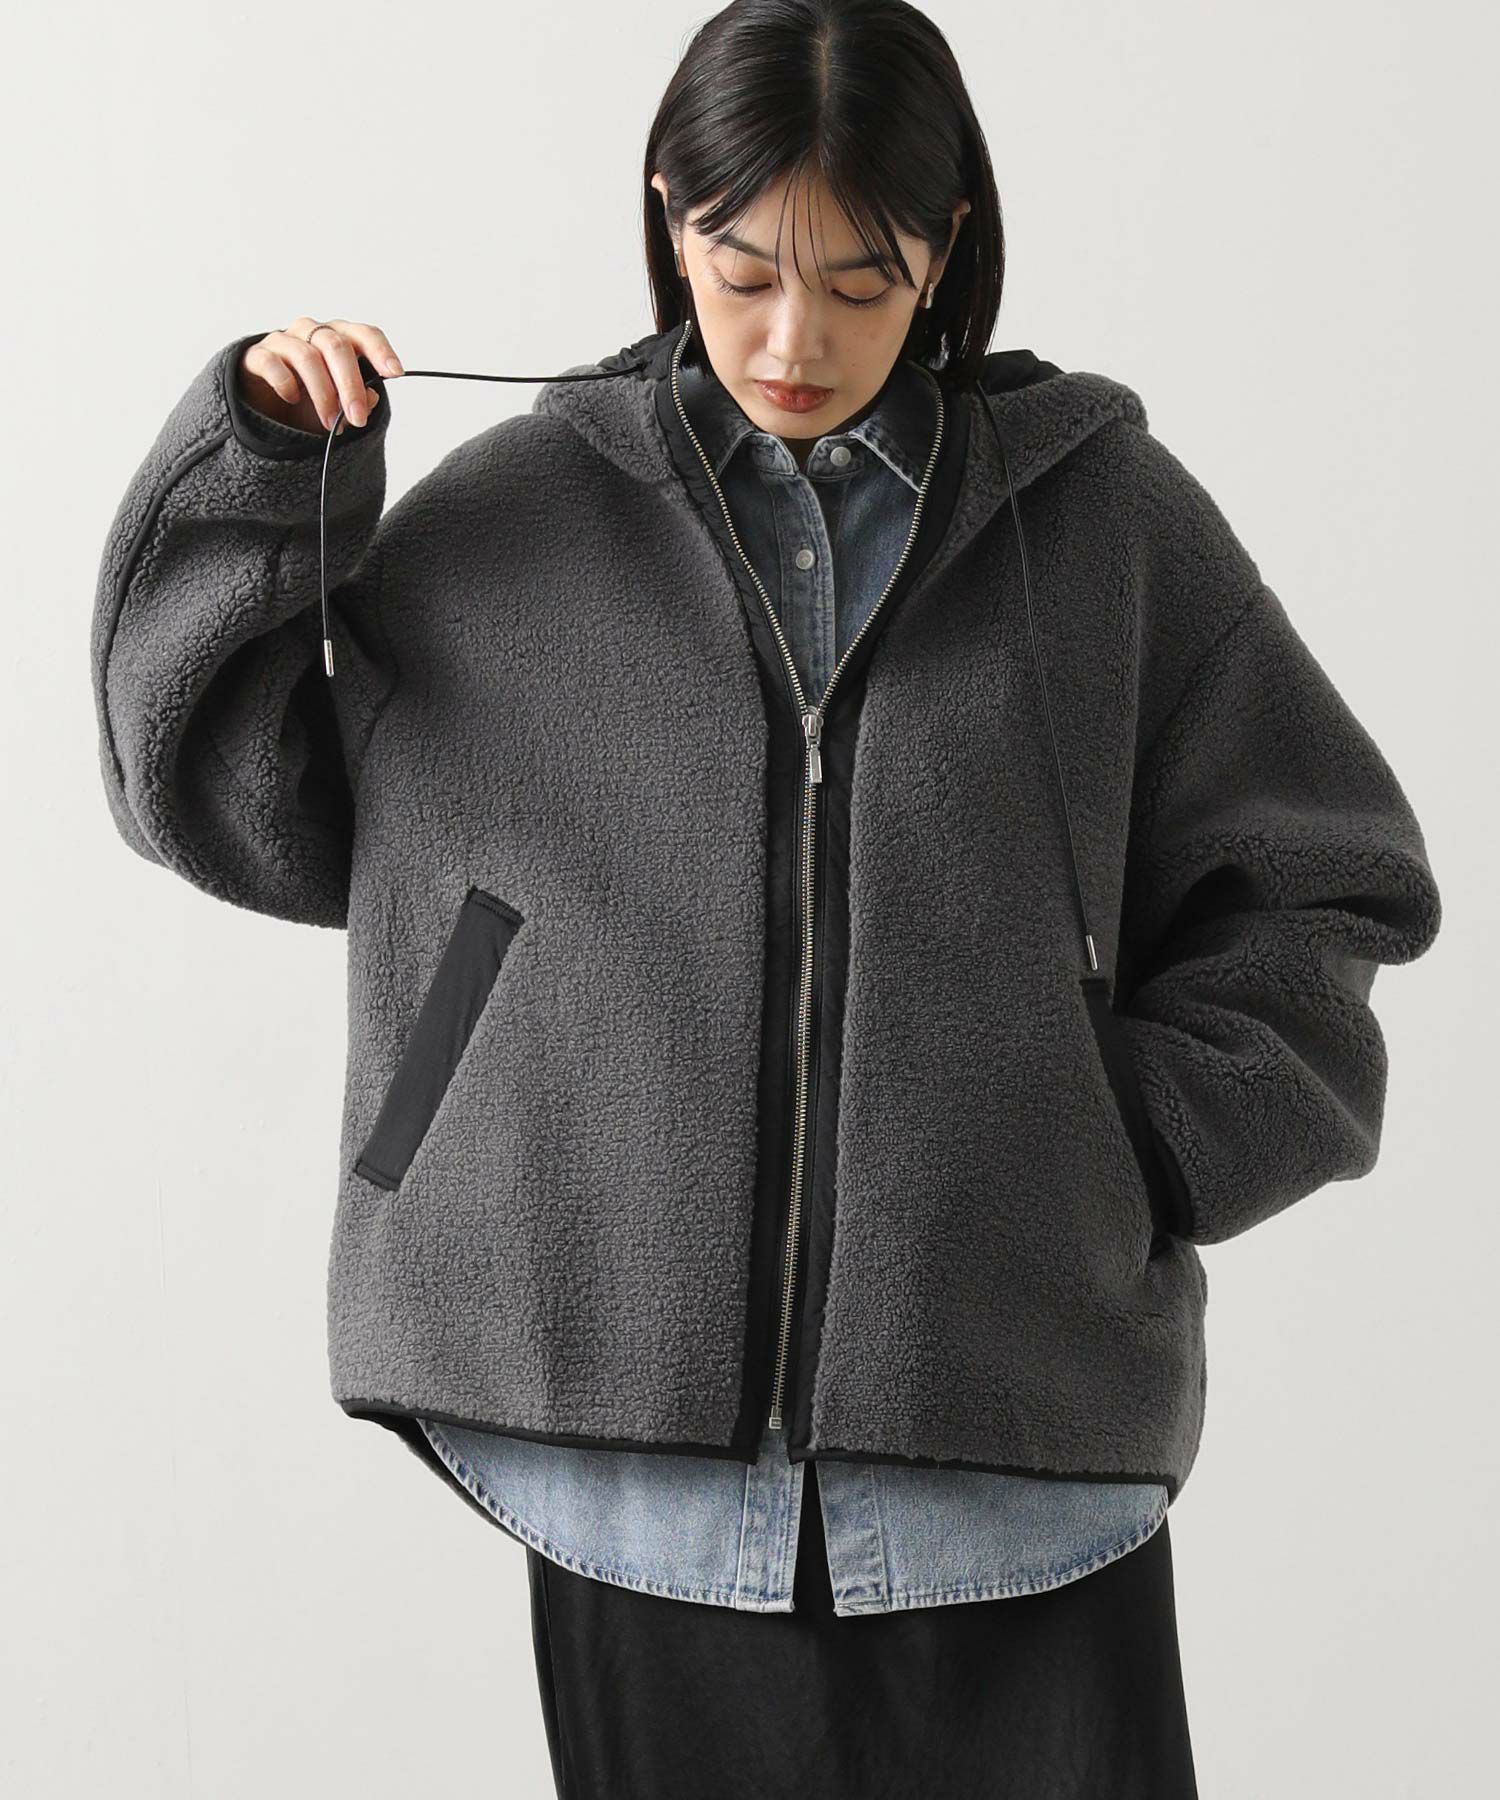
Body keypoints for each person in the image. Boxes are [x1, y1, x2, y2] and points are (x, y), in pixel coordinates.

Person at [91, 1, 1442, 1794]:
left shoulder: (1104, 526)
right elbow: (219, 790)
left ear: (944, 249)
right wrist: (270, 470)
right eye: (743, 271)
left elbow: (1327, 882)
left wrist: (1119, 1142)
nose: (795, 340)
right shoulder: (519, 517)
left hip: (1019, 1441)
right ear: (671, 217)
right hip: (625, 1457)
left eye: (861, 281)